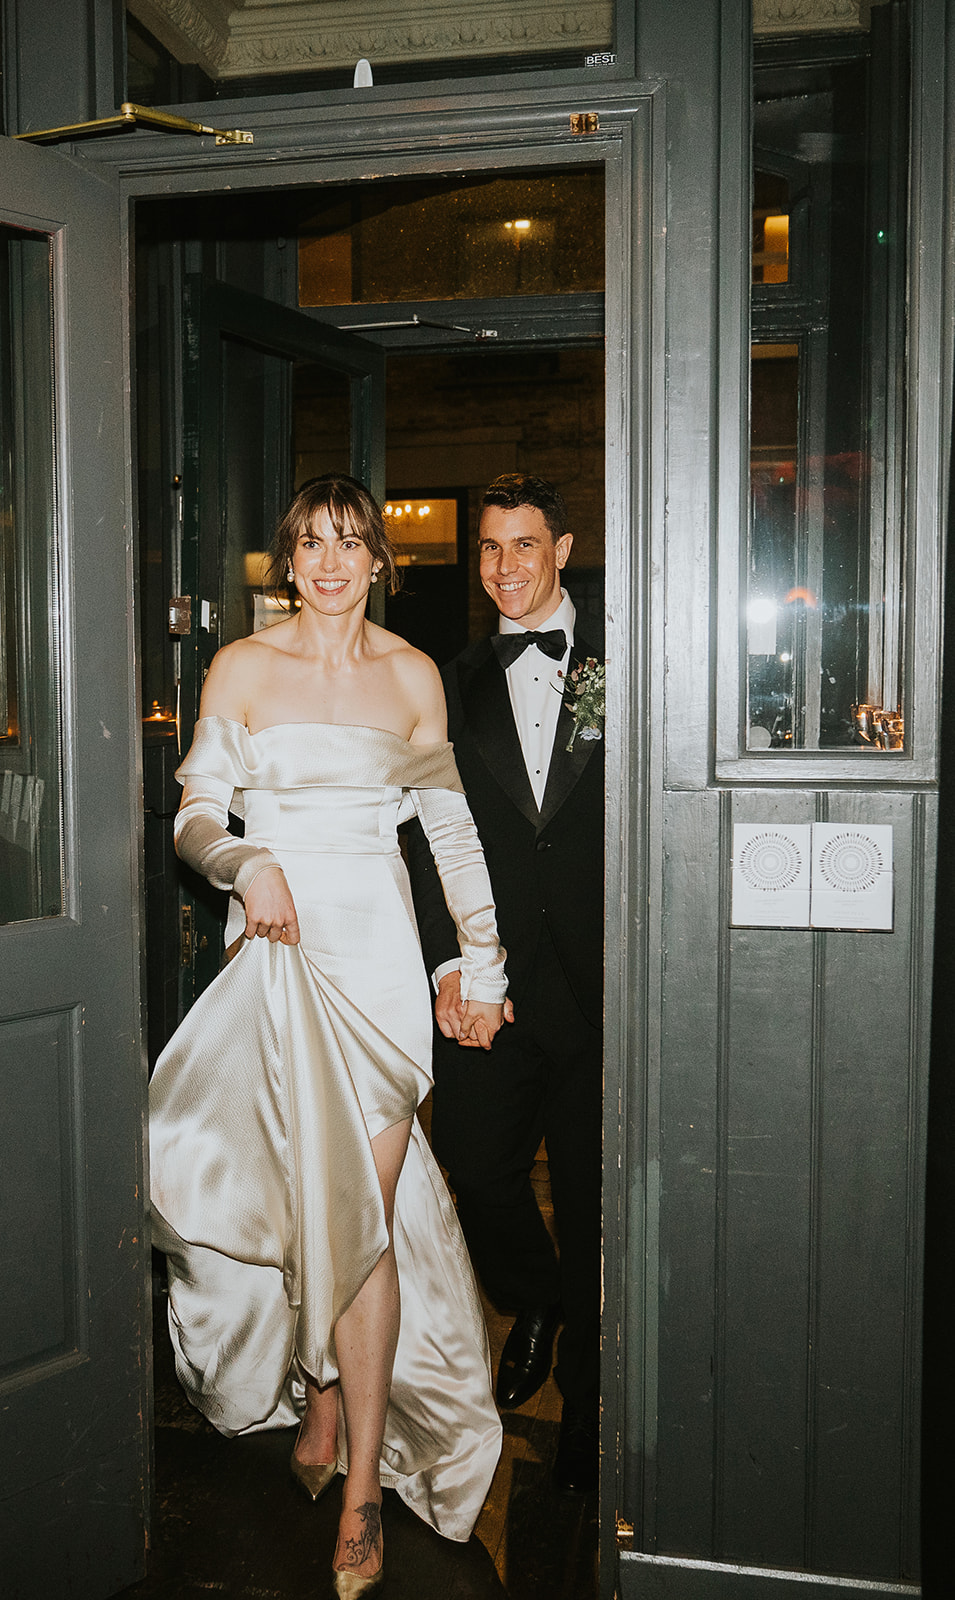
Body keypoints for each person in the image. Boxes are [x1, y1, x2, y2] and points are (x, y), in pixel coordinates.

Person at [148, 474, 511, 1598]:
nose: (329, 562)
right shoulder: (242, 670)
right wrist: (246, 862)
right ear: (286, 560)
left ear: (377, 561)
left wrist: (482, 962)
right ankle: (315, 1396)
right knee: (302, 1202)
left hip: (380, 977)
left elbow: (449, 834)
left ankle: (361, 1492)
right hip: (274, 960)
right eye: (309, 543)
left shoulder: (411, 679)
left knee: (362, 1227)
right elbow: (196, 811)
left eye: (349, 543)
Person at [407, 472, 603, 1495]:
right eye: (488, 548)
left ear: (561, 548)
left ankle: (590, 1401)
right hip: (485, 983)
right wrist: (451, 958)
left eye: (523, 545)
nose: (504, 568)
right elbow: (422, 833)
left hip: (601, 989)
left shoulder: (630, 663)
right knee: (476, 1167)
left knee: (591, 1198)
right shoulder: (449, 681)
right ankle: (536, 1297)